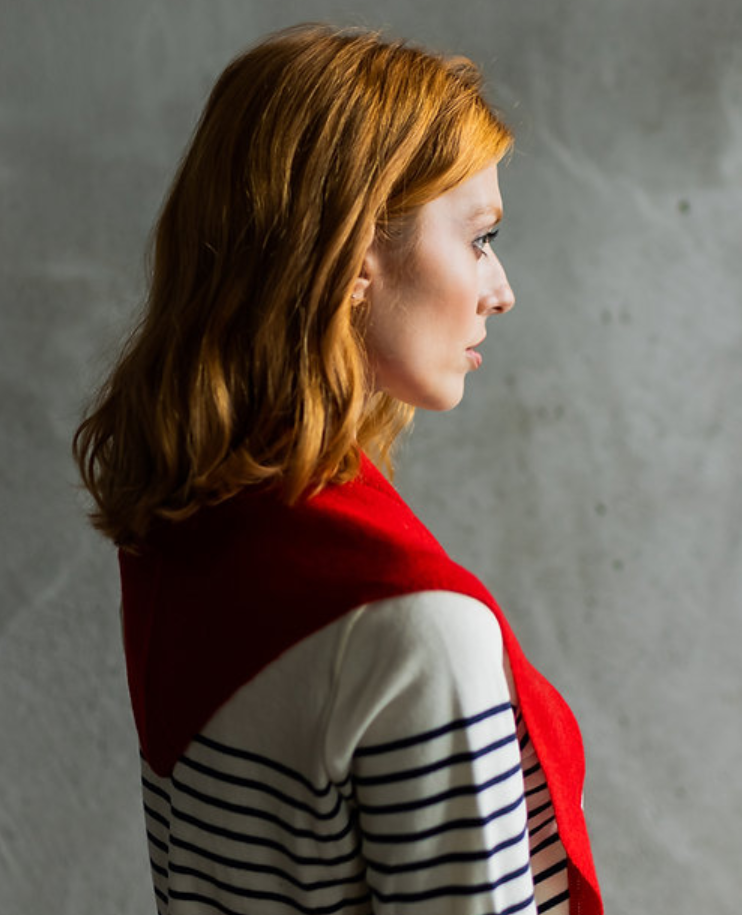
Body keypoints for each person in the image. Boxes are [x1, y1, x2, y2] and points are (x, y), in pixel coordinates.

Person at [74, 24, 602, 915]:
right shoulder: (415, 631)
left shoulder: (181, 538)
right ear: (358, 253)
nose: (500, 287)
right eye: (478, 237)